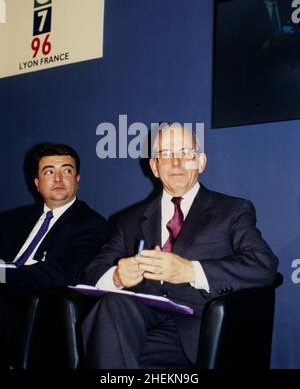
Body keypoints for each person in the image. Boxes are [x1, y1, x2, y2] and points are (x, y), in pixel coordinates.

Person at [80, 123, 278, 369]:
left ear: (201, 162)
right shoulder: (128, 219)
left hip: (200, 330)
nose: (176, 162)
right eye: (165, 155)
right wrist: (118, 277)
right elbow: (91, 272)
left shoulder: (232, 210)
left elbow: (263, 266)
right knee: (111, 309)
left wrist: (191, 271)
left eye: (185, 153)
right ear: (154, 166)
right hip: (138, 325)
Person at [0, 143, 107, 367]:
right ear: (37, 184)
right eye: (49, 171)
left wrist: (3, 276)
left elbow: (65, 273)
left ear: (77, 180)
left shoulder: (91, 224)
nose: (58, 179)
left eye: (66, 171)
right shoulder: (11, 221)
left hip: (38, 309)